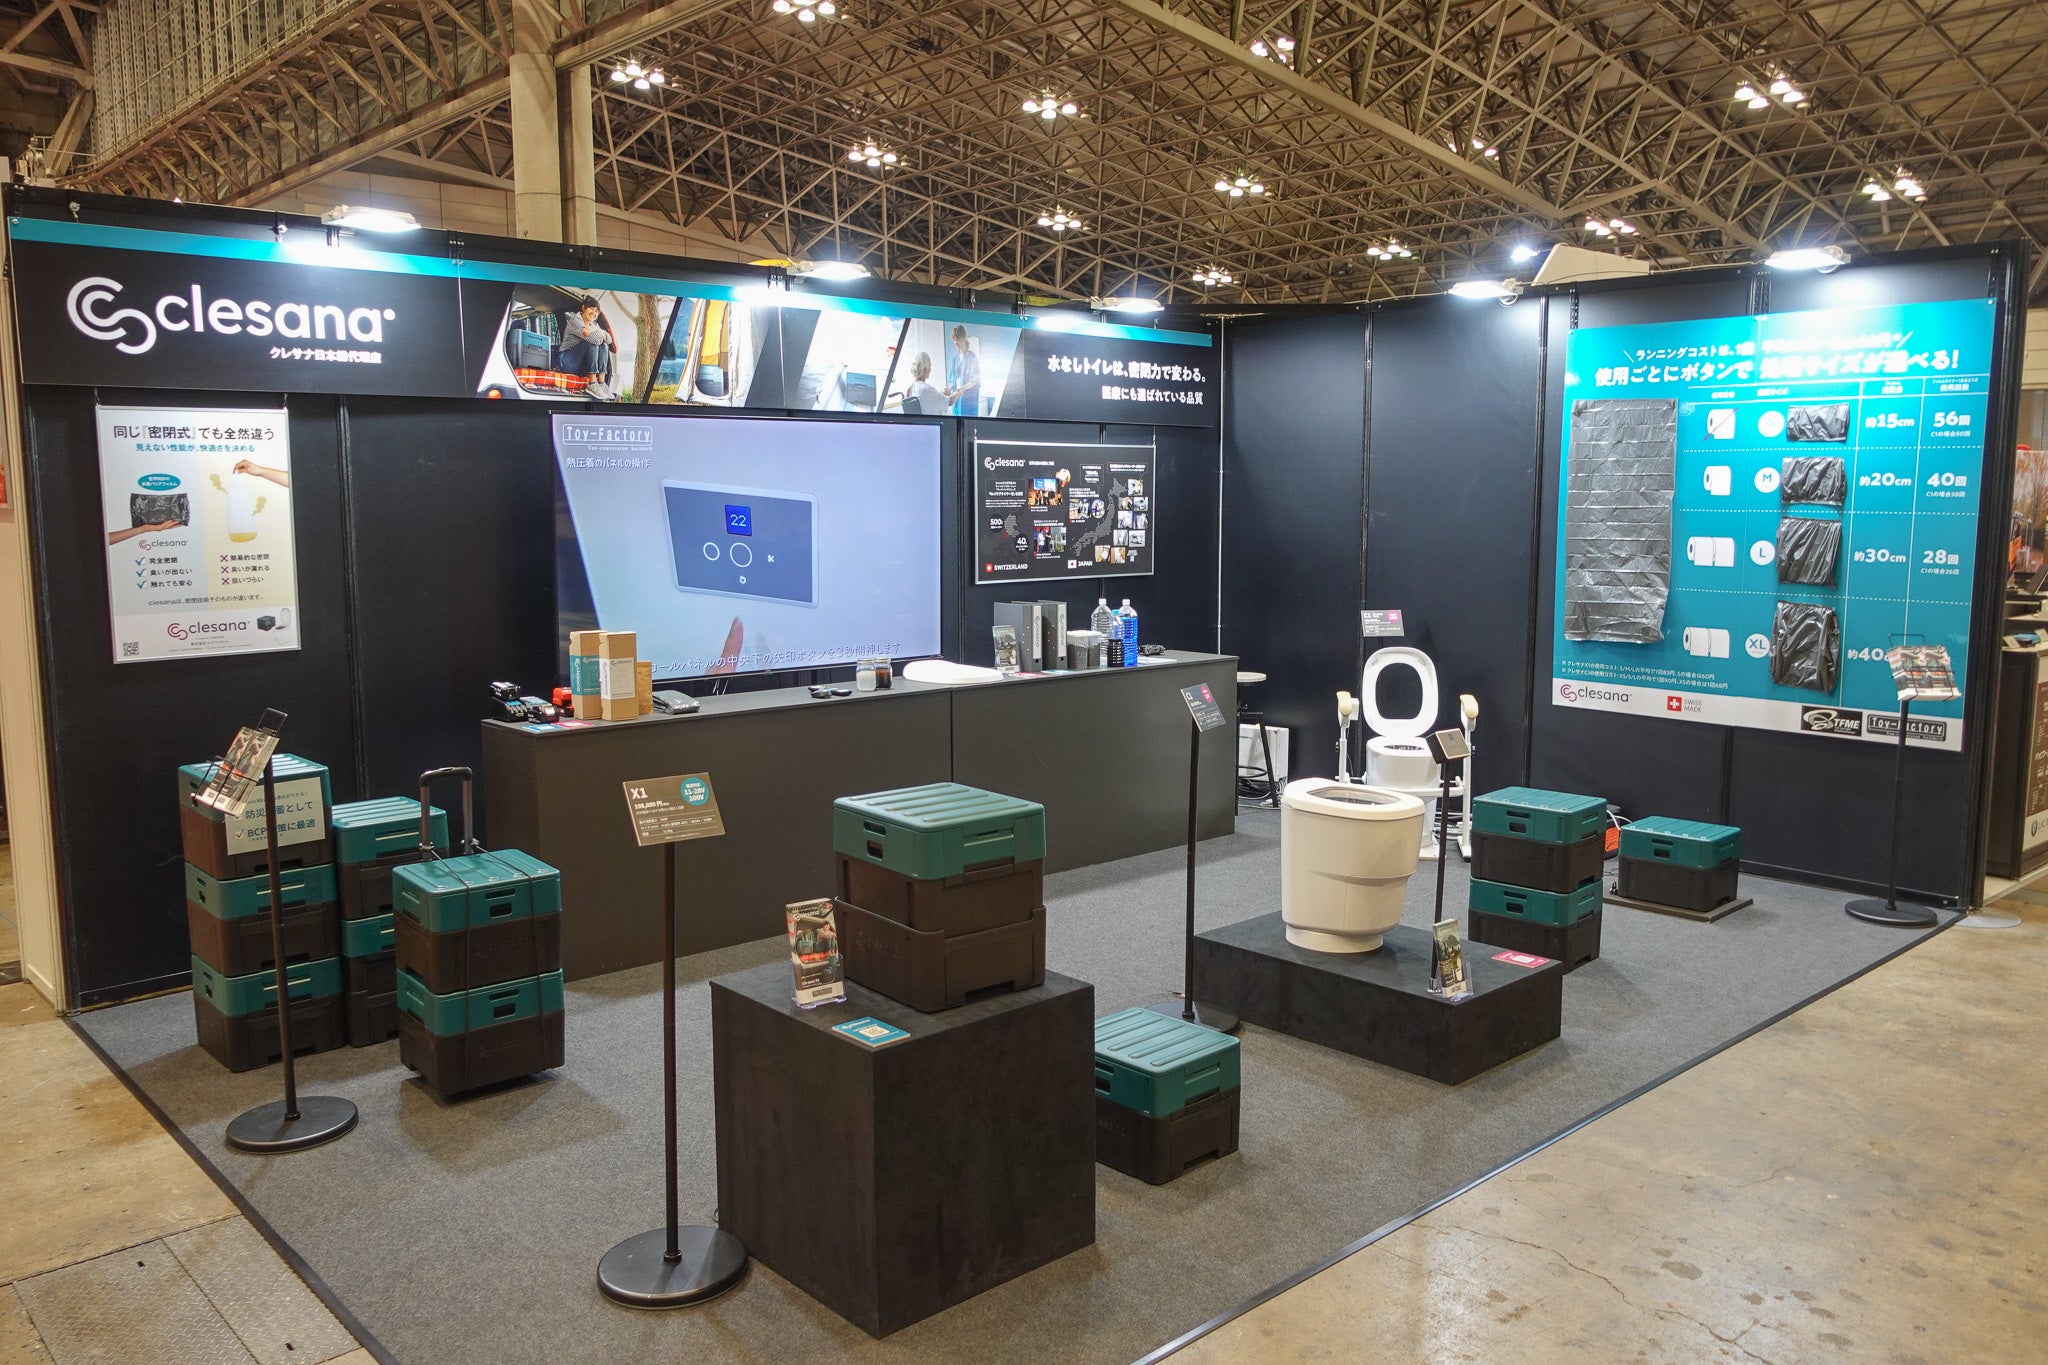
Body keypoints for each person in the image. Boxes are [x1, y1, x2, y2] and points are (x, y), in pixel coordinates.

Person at [559, 296, 619, 400]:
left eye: (596, 311)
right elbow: (596, 340)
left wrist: (595, 329)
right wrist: (599, 333)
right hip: (566, 362)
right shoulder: (575, 322)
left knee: (604, 345)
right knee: (592, 343)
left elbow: (609, 340)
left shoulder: (593, 324)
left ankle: (601, 383)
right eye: (591, 308)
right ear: (583, 308)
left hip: (580, 364)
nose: (594, 313)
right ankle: (592, 383)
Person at [943, 325, 981, 416]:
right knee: (957, 420)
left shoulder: (972, 357)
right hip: (957, 398)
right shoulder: (955, 357)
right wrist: (949, 388)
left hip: (969, 399)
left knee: (968, 422)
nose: (955, 343)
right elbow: (953, 378)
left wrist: (961, 389)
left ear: (964, 339)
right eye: (954, 340)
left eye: (958, 340)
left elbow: (975, 380)